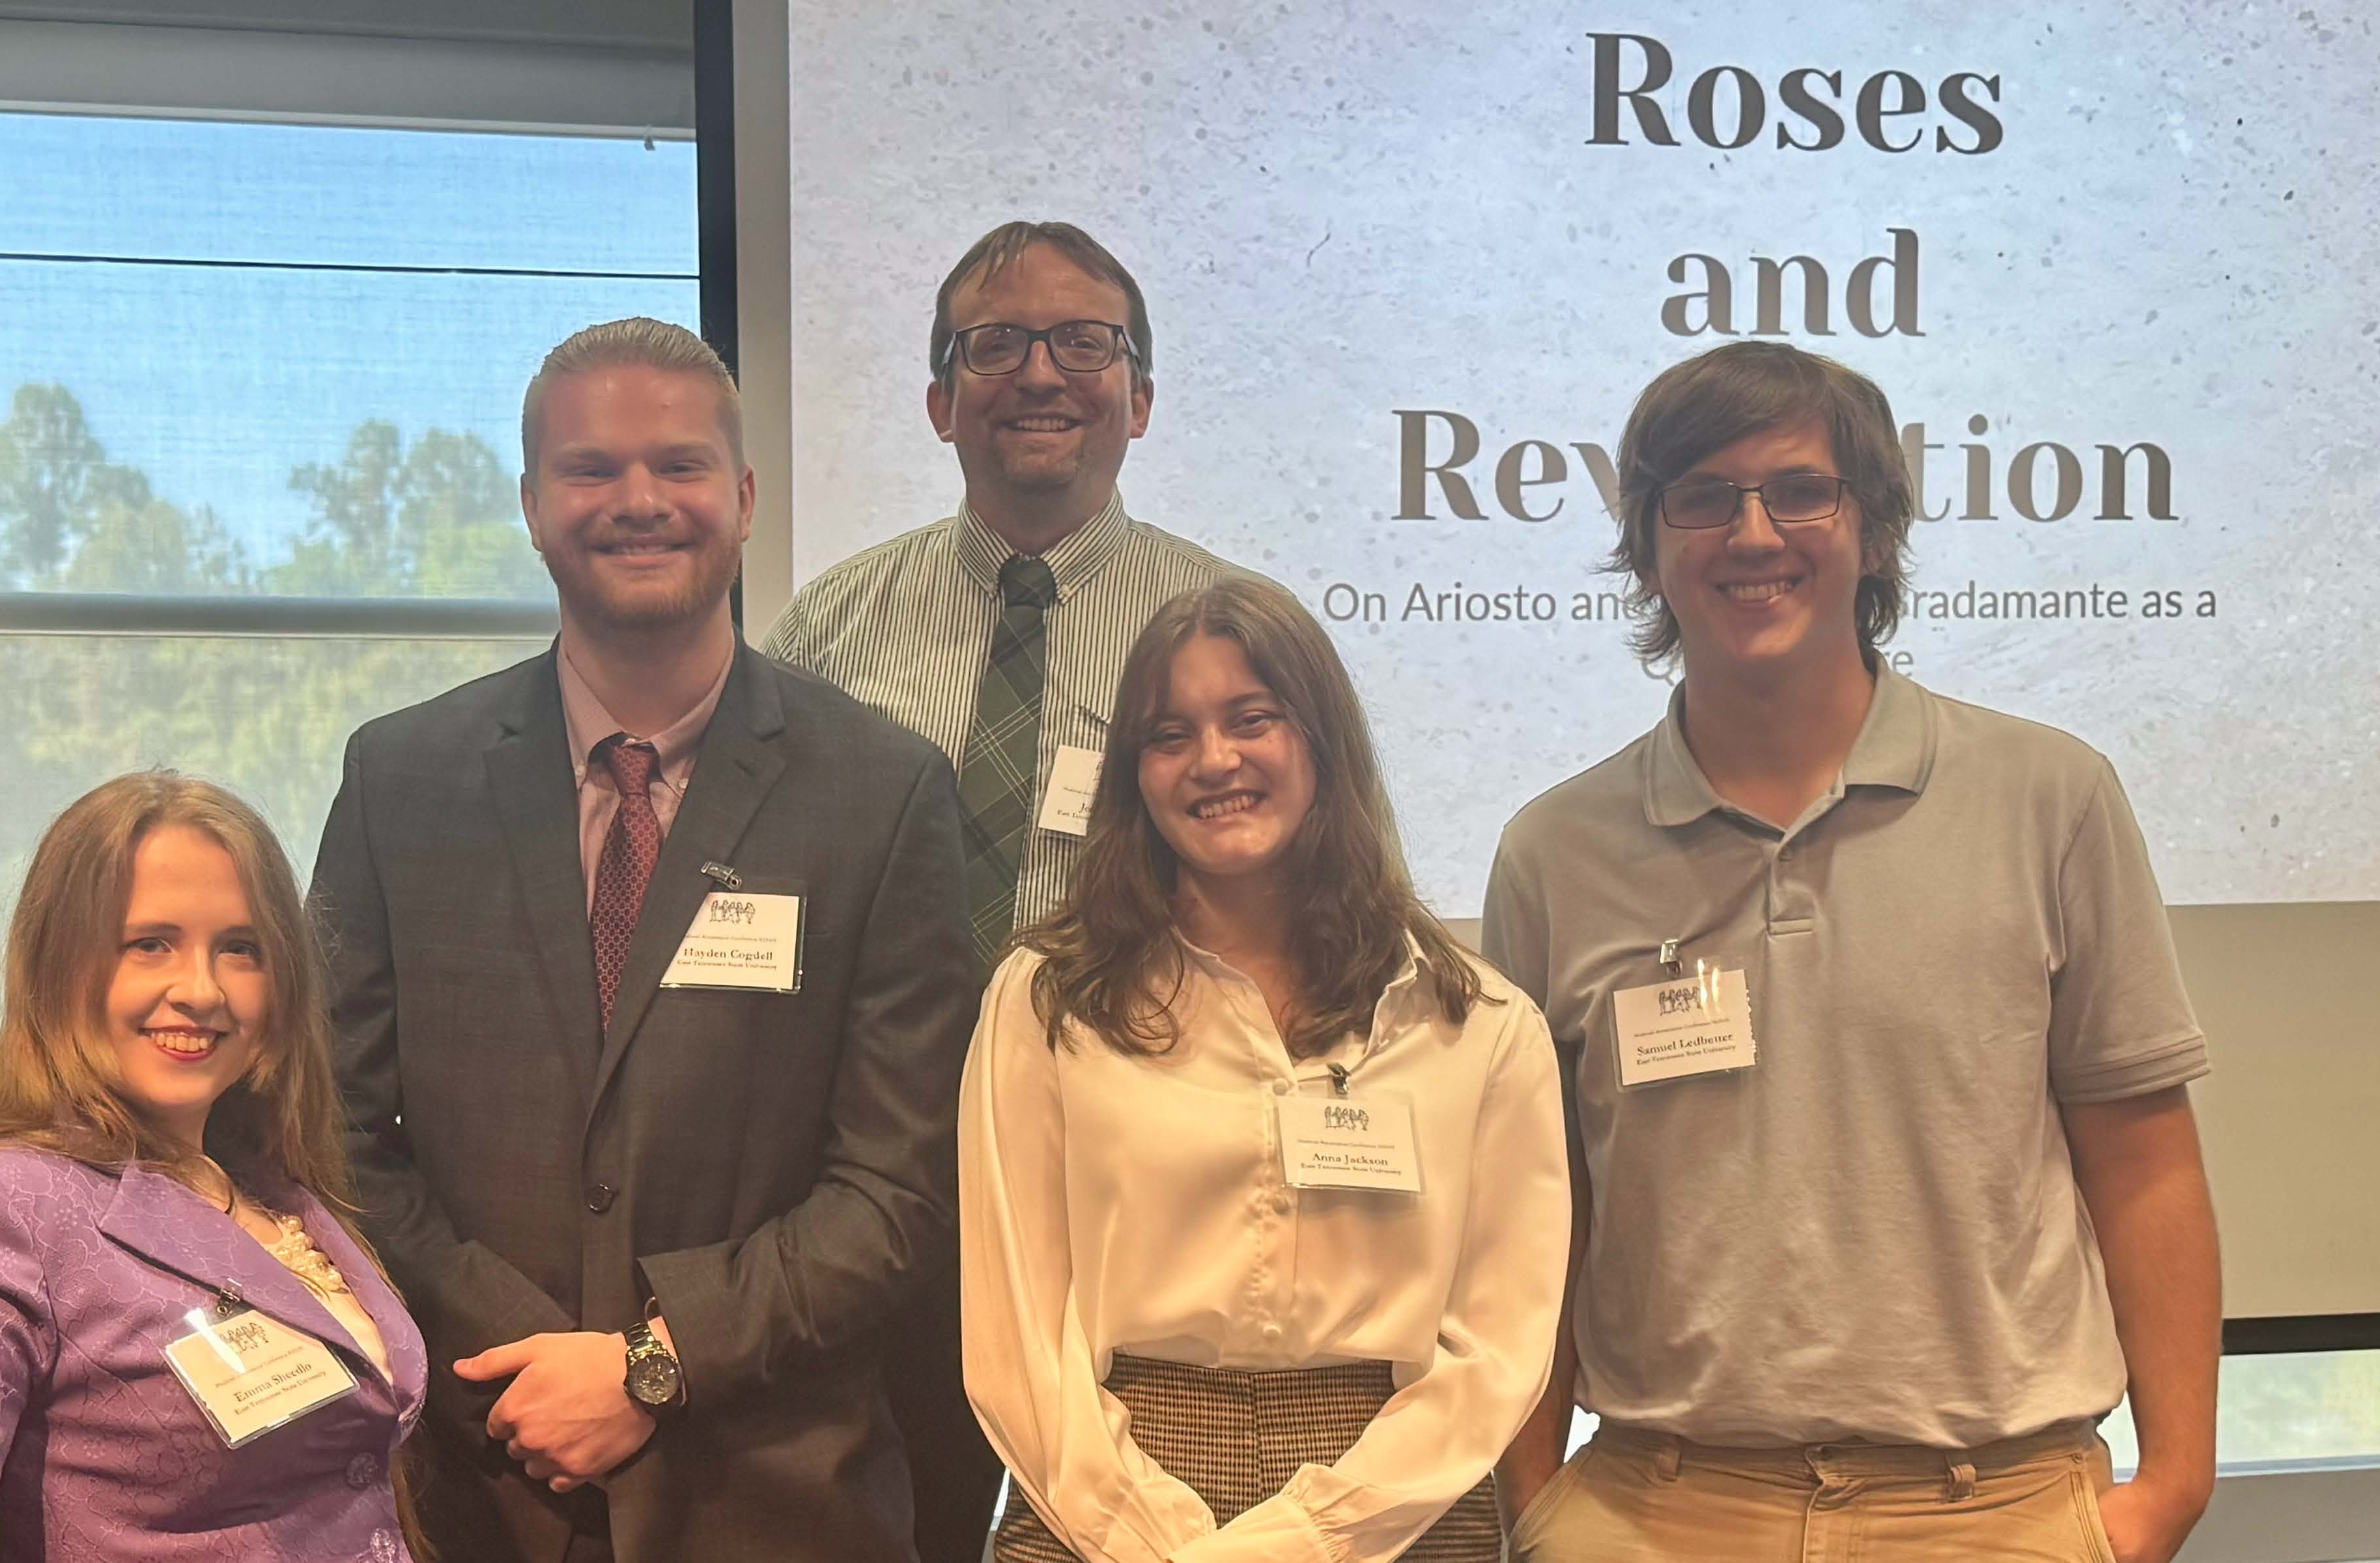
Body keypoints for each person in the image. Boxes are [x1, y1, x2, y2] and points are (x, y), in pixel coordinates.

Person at [1486, 341, 2222, 1562]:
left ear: (1872, 530)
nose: (1752, 532)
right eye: (1703, 497)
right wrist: (1534, 1504)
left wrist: (2174, 1484)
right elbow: (1529, 1214)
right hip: (1657, 1511)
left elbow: (2143, 1160)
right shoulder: (1555, 852)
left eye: (1798, 490)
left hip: (1994, 1511)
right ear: (1649, 544)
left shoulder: (2050, 798)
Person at [314, 317, 982, 1563]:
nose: (637, 501)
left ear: (740, 496)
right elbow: (338, 1138)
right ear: (528, 503)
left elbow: (897, 1184)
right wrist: (525, 1353)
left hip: (778, 1498)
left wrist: (649, 1365)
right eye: (590, 468)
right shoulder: (400, 779)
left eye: (676, 465)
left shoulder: (882, 792)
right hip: (475, 1485)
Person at [767, 219, 1255, 1559]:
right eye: (995, 343)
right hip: (882, 1187)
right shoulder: (828, 629)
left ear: (1140, 396)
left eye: (1086, 340)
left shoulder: (1229, 630)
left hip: (1135, 1197)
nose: (1041, 371)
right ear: (940, 400)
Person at [961, 577, 1570, 1563]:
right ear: (1132, 774)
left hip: (1395, 1507)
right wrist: (1148, 1535)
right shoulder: (1045, 1000)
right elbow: (1015, 1334)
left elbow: (1497, 1352)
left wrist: (1304, 1537)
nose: (1214, 760)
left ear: (1321, 741)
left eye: (1252, 719)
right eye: (1169, 734)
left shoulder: (1476, 1024)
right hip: (1099, 1501)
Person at [0, 771, 422, 1563]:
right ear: (61, 967)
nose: (201, 989)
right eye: (151, 943)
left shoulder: (269, 1187)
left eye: (240, 948)